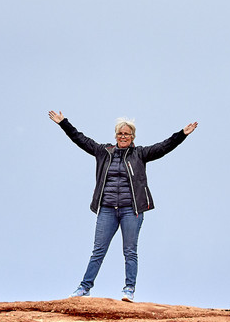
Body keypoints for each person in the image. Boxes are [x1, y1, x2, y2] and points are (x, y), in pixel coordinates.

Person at [48, 111, 197, 301]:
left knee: (130, 251)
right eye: (120, 134)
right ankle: (84, 288)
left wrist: (181, 134)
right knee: (98, 251)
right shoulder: (104, 152)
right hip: (107, 209)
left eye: (127, 134)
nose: (123, 137)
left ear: (133, 136)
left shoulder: (140, 154)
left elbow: (163, 147)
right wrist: (63, 123)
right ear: (115, 136)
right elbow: (80, 139)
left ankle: (129, 289)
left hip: (131, 210)